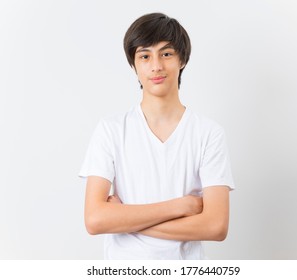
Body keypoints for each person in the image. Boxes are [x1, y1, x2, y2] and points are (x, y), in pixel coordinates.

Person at [79, 12, 235, 259]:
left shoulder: (208, 133)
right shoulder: (111, 130)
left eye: (166, 54)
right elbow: (95, 220)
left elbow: (216, 226)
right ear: (134, 65)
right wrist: (180, 207)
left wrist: (125, 220)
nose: (156, 66)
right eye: (144, 56)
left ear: (181, 59)